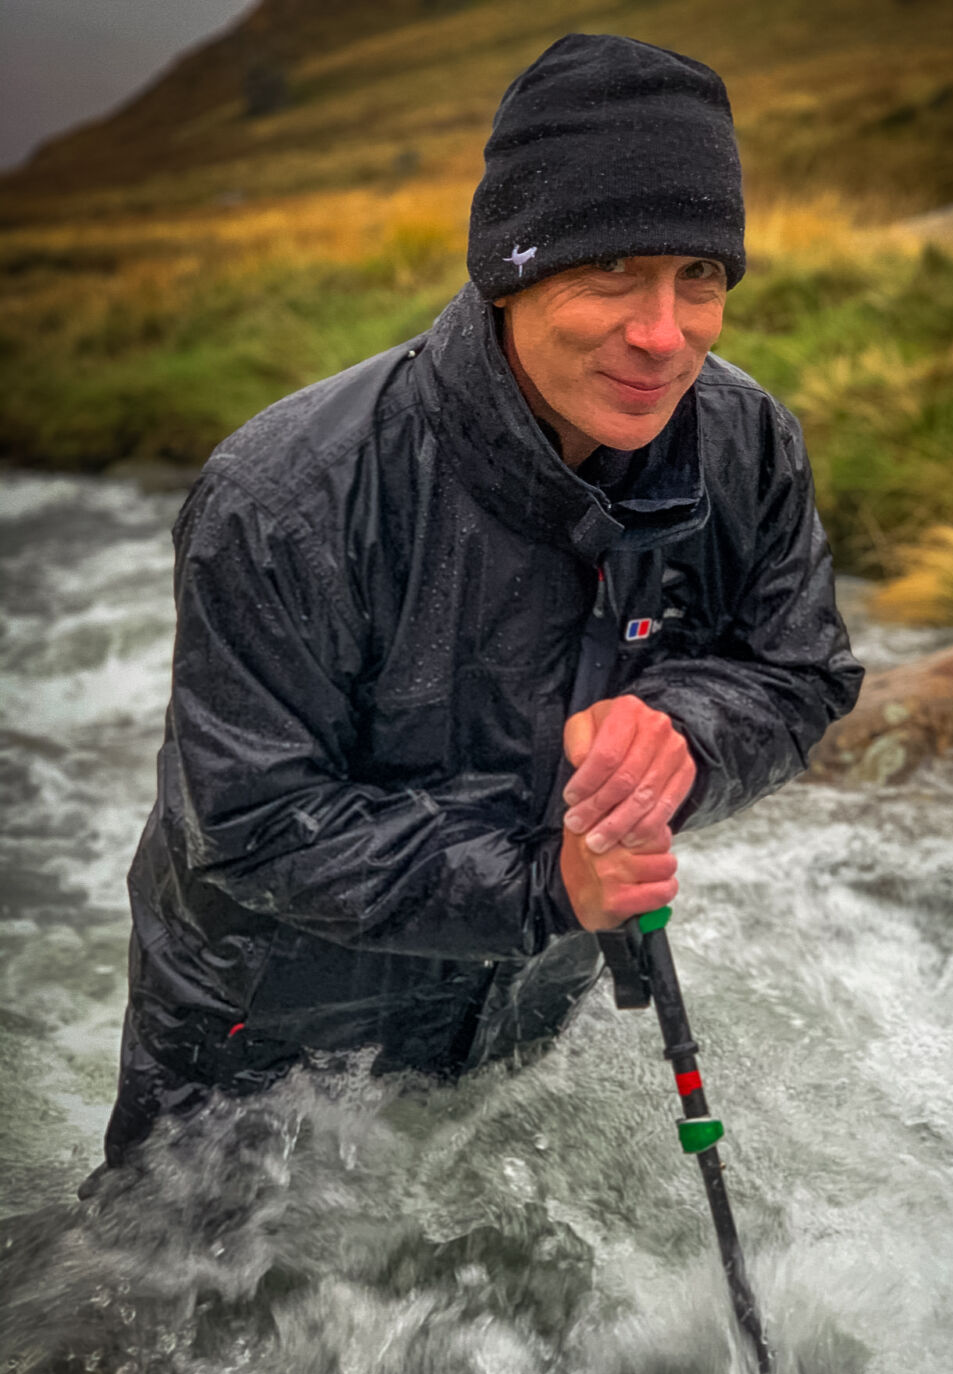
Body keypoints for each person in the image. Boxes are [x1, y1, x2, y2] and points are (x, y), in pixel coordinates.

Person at [101, 32, 863, 1168]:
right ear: (512, 268)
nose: (666, 334)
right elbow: (250, 825)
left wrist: (685, 728)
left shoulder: (744, 442)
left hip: (525, 1009)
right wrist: (546, 881)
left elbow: (800, 667)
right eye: (614, 272)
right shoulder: (283, 498)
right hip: (262, 1045)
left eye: (699, 276)